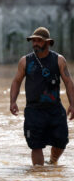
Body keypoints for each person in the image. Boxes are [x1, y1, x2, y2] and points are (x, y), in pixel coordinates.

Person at [10, 27, 74, 166]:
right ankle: (39, 176)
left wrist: (72, 104)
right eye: (33, 41)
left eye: (39, 41)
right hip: (34, 109)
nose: (35, 44)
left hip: (55, 108)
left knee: (61, 141)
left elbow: (69, 82)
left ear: (48, 42)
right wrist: (13, 102)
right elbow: (16, 81)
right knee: (36, 145)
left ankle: (52, 161)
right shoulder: (25, 61)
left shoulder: (59, 60)